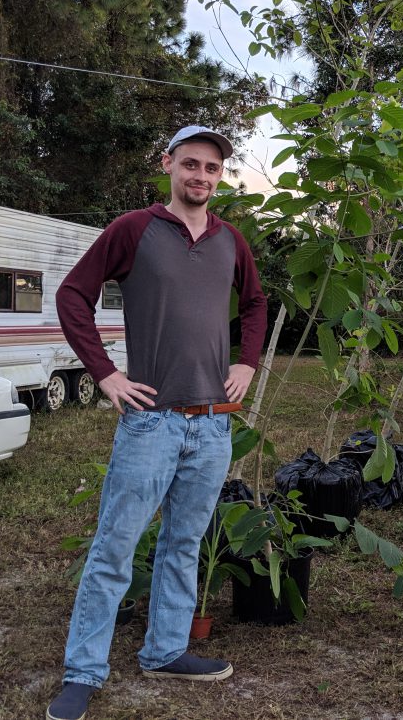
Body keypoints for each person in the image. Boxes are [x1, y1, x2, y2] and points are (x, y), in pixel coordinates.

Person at [46, 126, 268, 720]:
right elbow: (73, 296)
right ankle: (82, 673)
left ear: (222, 176)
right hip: (152, 422)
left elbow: (255, 303)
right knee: (115, 548)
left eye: (212, 169)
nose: (200, 176)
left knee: (183, 543)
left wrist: (248, 362)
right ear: (168, 164)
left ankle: (166, 650)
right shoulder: (133, 230)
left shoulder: (230, 242)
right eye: (190, 164)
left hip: (213, 424)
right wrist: (106, 375)